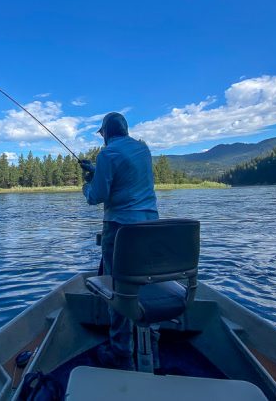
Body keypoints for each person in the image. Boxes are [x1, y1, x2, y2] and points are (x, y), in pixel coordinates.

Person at [80, 112, 159, 370]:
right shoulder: (143, 149)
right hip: (149, 227)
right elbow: (127, 175)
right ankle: (152, 344)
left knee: (117, 288)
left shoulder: (107, 154)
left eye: (102, 134)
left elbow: (97, 196)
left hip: (120, 229)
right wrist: (97, 169)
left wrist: (87, 184)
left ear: (106, 133)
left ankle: (121, 352)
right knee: (145, 284)